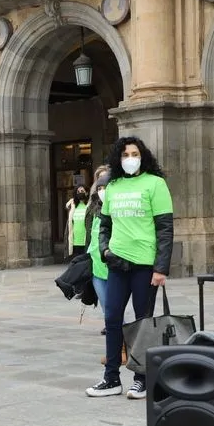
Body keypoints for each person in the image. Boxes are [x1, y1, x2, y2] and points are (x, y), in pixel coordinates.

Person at [88, 136, 174, 400]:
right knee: (112, 319)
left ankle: (141, 378)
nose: (129, 159)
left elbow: (165, 229)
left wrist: (161, 268)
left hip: (145, 265)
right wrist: (105, 250)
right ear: (118, 159)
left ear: (143, 156)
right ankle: (111, 378)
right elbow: (105, 225)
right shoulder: (112, 186)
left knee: (142, 322)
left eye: (134, 153)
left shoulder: (156, 184)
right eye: (125, 155)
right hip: (117, 263)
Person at [84, 166, 110, 336]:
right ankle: (112, 325)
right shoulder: (92, 207)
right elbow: (89, 233)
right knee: (104, 300)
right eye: (99, 183)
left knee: (114, 303)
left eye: (105, 181)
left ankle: (118, 330)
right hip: (95, 261)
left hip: (111, 260)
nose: (102, 189)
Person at [65, 185, 89, 258]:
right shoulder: (73, 205)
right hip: (74, 239)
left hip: (86, 239)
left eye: (82, 191)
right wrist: (72, 200)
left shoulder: (89, 205)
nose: (80, 193)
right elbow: (66, 206)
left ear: (86, 193)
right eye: (78, 192)